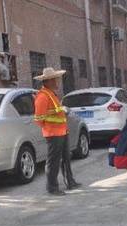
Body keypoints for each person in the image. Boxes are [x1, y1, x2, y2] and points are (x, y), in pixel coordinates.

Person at [34, 67, 81, 196]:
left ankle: (70, 182)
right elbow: (39, 119)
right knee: (53, 161)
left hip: (62, 131)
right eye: (54, 80)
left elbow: (54, 111)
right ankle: (52, 187)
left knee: (66, 157)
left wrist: (61, 111)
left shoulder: (51, 94)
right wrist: (51, 124)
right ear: (48, 81)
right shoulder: (43, 96)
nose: (57, 82)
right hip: (53, 134)